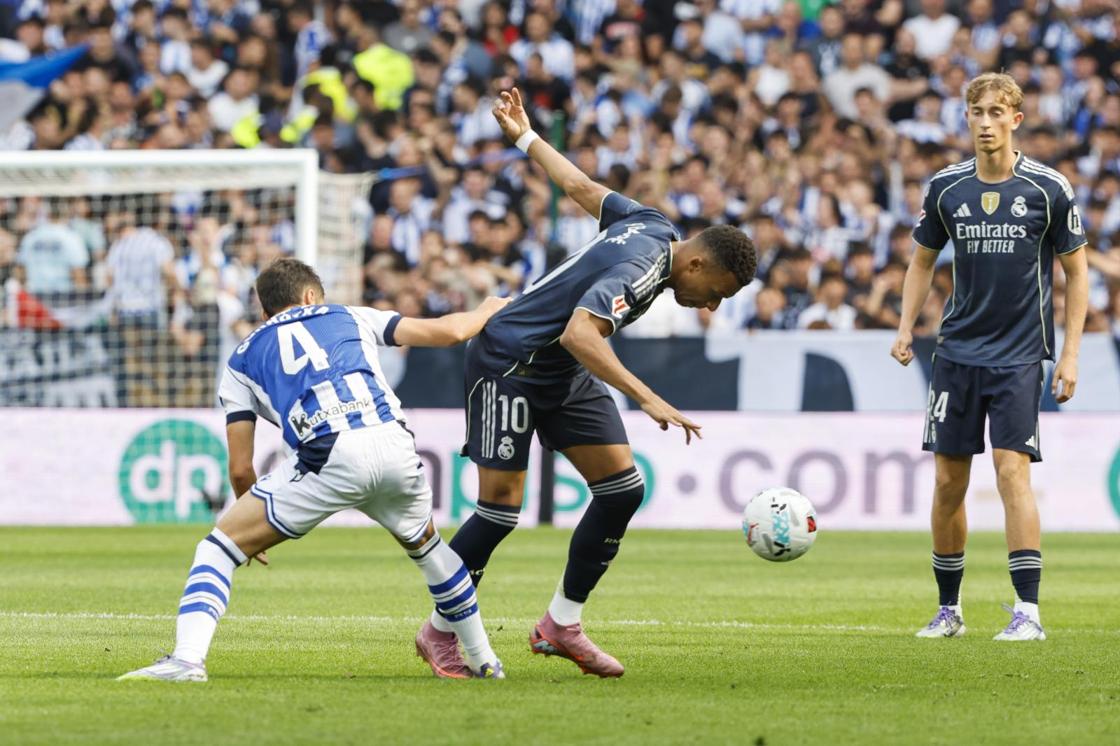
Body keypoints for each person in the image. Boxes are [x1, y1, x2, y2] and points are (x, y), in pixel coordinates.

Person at [416, 88, 757, 678]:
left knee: (621, 491)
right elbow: (580, 333)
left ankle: (560, 625)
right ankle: (439, 631)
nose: (708, 308)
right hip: (509, 364)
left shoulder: (654, 223)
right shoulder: (643, 268)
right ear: (698, 265)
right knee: (499, 511)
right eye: (717, 294)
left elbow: (579, 188)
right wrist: (648, 397)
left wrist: (524, 136)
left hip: (561, 372)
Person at [119, 258, 511, 681]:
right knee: (431, 550)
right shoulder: (348, 315)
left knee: (217, 549)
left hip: (329, 456)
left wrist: (249, 525)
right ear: (310, 296)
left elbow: (239, 466)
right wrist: (486, 309)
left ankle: (187, 660)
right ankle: (484, 658)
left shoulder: (241, 358)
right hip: (395, 444)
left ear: (266, 311)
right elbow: (450, 332)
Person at [891, 73, 1089, 642]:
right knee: (949, 483)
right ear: (966, 118)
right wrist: (907, 327)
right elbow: (922, 262)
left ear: (1015, 120)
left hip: (1020, 355)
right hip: (955, 353)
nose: (984, 122)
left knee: (1011, 473)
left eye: (996, 112)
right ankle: (949, 610)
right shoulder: (946, 189)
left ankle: (1028, 611)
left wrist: (1069, 356)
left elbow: (1076, 275)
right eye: (976, 112)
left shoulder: (1049, 188)